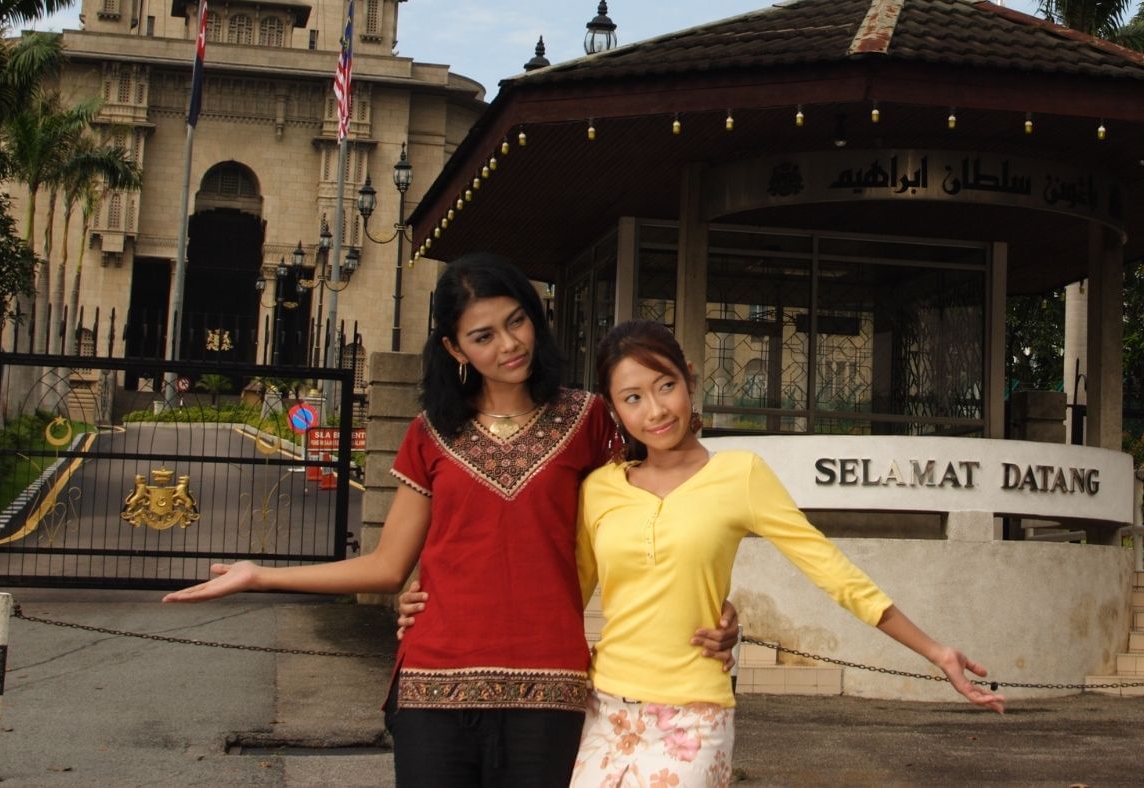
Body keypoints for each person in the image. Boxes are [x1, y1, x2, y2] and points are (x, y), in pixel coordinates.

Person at [165, 253, 735, 787]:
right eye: (483, 336)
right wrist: (261, 576)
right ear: (455, 348)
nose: (510, 345)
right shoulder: (430, 433)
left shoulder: (588, 418)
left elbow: (667, 509)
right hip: (433, 688)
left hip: (551, 687)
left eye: (517, 322)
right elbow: (389, 566)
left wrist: (717, 607)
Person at [409, 319, 1005, 787]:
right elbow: (561, 590)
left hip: (693, 715)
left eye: (665, 386)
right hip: (605, 711)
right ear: (614, 411)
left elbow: (834, 573)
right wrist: (436, 606)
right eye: (633, 398)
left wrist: (935, 651)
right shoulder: (601, 488)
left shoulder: (741, 476)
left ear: (691, 380)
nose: (656, 410)